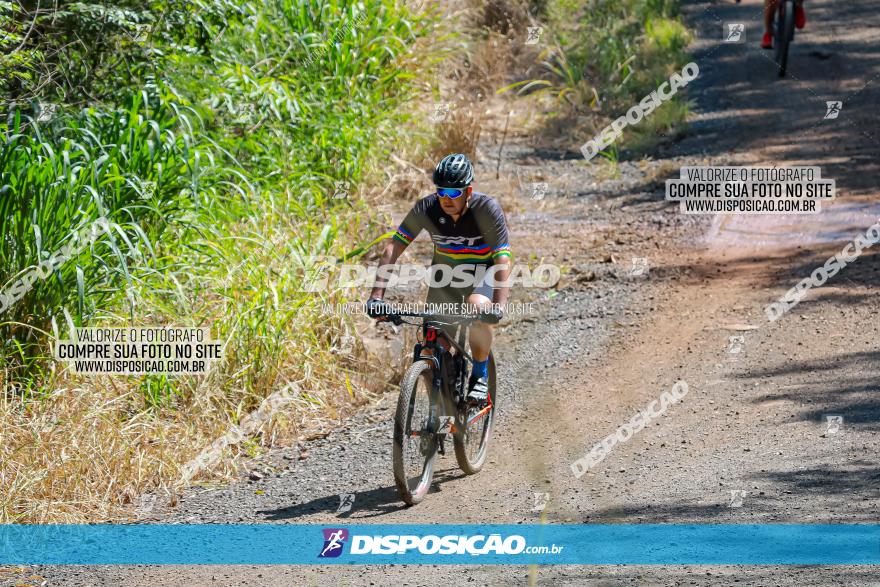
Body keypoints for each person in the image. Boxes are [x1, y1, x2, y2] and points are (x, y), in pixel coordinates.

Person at [366, 153, 511, 404]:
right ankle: (440, 411)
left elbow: (502, 262)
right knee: (431, 346)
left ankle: (479, 375)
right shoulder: (427, 208)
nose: (447, 198)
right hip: (447, 277)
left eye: (455, 193)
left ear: (469, 191)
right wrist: (376, 296)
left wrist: (497, 306)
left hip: (483, 273)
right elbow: (393, 248)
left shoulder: (487, 209)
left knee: (477, 309)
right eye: (442, 191)